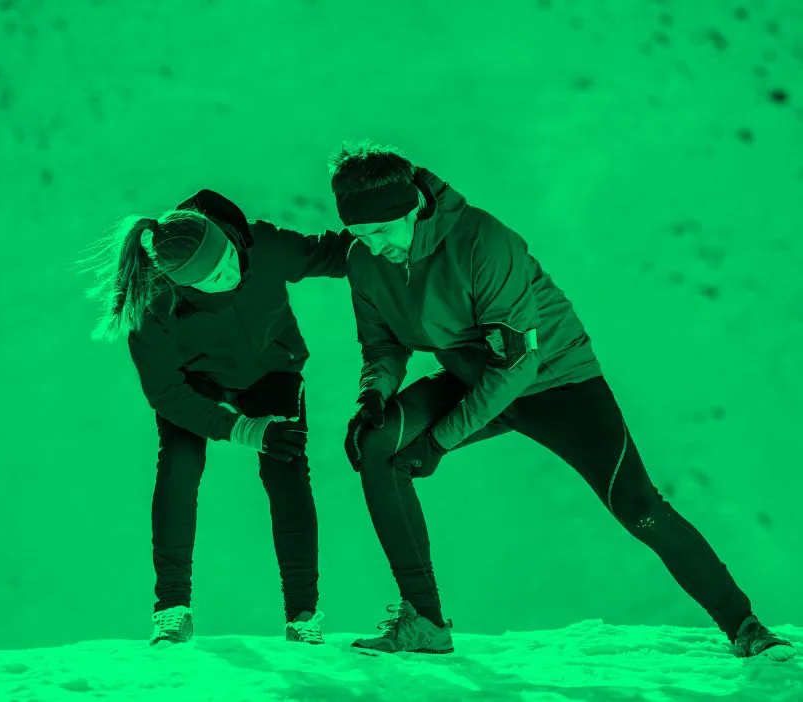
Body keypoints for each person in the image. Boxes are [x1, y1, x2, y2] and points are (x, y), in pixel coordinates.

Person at [329, 141, 796, 661]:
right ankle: (424, 623)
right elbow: (382, 345)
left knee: (639, 507)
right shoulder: (365, 261)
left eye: (381, 232)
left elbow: (517, 364)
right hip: (472, 375)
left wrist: (439, 440)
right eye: (359, 235)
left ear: (413, 206)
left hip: (556, 381)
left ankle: (746, 627)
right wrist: (372, 396)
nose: (372, 246)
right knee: (377, 444)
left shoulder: (483, 240)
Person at [82, 188, 353, 647]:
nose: (233, 271)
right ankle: (172, 609)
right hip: (195, 385)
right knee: (178, 468)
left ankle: (303, 614)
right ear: (183, 285)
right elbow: (166, 392)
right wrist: (241, 429)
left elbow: (329, 253)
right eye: (214, 277)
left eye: (228, 256)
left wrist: (386, 240)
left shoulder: (260, 245)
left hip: (273, 369)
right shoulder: (153, 306)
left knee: (288, 471)